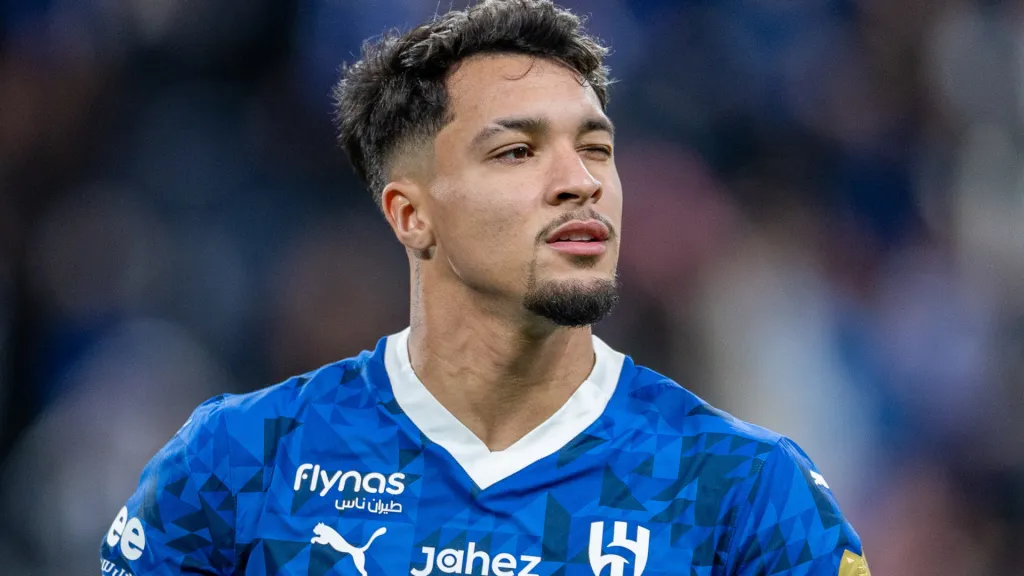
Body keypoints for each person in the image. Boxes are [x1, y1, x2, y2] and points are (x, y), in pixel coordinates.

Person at [100, 1, 869, 574]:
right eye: (517, 152)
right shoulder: (238, 465)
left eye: (597, 149)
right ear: (412, 216)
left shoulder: (746, 492)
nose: (580, 183)